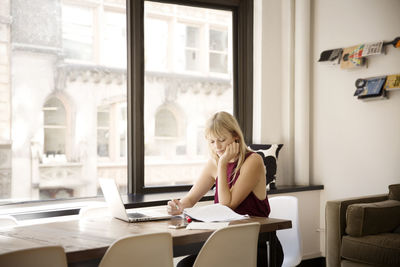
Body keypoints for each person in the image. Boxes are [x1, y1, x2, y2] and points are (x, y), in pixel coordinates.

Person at [167, 111, 283, 267]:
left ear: (235, 136)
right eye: (212, 142)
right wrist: (178, 206)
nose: (217, 147)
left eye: (221, 140)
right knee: (184, 265)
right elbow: (190, 199)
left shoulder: (253, 161)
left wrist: (222, 164)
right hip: (227, 240)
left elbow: (227, 206)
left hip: (258, 244)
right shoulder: (214, 162)